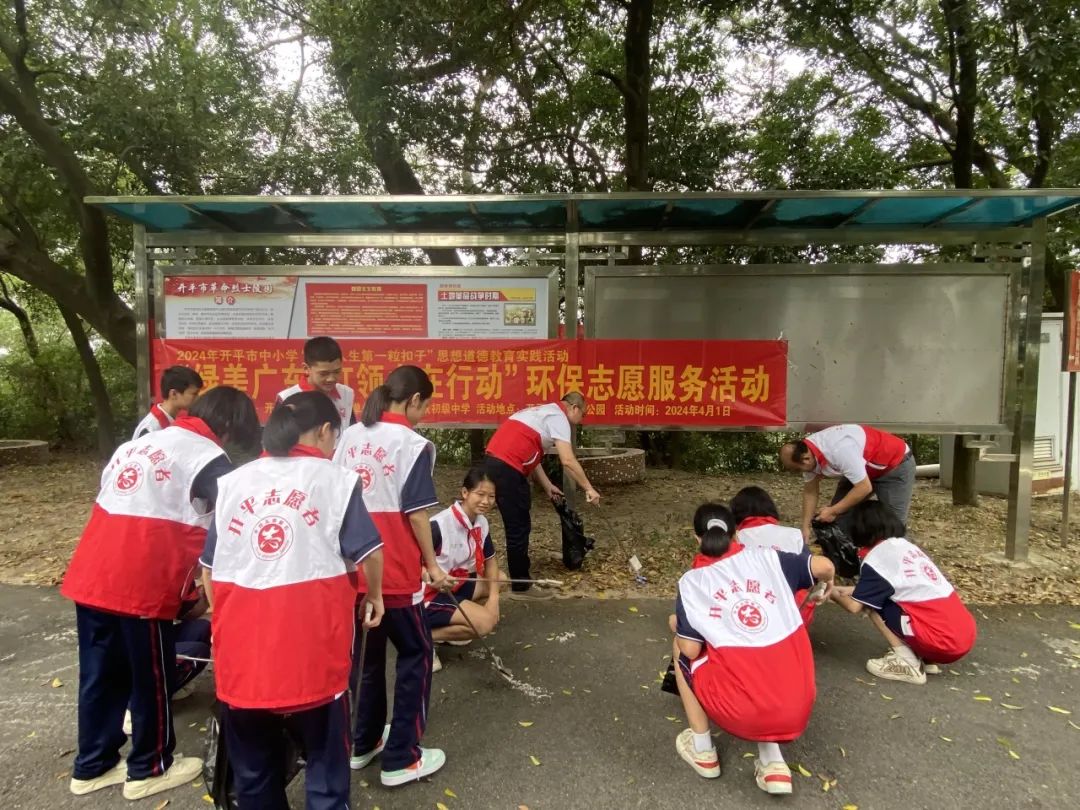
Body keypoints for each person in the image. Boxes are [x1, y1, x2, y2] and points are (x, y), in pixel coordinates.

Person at [61, 387, 259, 800]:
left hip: (93, 573)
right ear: (227, 425)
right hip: (140, 583)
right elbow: (233, 523)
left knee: (100, 674)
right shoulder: (207, 457)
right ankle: (148, 768)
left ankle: (93, 765)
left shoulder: (137, 444)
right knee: (151, 676)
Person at [200, 390, 385, 809]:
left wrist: (222, 620)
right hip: (311, 649)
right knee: (325, 757)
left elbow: (208, 569)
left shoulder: (233, 482)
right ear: (324, 431)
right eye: (335, 437)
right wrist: (373, 595)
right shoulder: (334, 480)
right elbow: (370, 553)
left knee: (253, 768)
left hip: (242, 651)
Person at [333, 365, 453, 787]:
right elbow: (417, 514)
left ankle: (362, 742)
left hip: (353, 569)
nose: (423, 414)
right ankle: (402, 756)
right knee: (416, 654)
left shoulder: (349, 436)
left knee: (367, 659)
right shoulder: (412, 444)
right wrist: (432, 566)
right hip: (395, 572)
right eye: (425, 405)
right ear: (414, 399)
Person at [670, 503, 834, 796]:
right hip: (798, 706)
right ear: (736, 534)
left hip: (743, 714)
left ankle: (702, 750)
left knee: (681, 646)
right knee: (760, 652)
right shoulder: (768, 558)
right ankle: (773, 763)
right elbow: (824, 566)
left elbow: (691, 650)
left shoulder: (692, 582)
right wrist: (829, 582)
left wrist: (677, 624)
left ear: (697, 538)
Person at [829, 501, 977, 685]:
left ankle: (907, 662)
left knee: (874, 605)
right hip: (963, 635)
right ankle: (926, 659)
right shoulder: (906, 547)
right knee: (883, 600)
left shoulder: (877, 558)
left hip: (940, 641)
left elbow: (854, 606)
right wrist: (850, 590)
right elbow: (902, 588)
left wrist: (829, 590)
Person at [484, 392, 600, 599]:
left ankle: (516, 577)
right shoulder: (559, 417)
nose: (582, 419)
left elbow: (531, 455)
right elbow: (568, 460)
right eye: (583, 414)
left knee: (516, 524)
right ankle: (521, 586)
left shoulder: (540, 412)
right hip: (509, 468)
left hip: (496, 463)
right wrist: (589, 489)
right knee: (518, 527)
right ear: (574, 407)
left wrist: (547, 485)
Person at [424, 467, 506, 672]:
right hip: (429, 593)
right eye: (480, 494)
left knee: (500, 579)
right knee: (485, 623)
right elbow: (410, 563)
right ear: (465, 493)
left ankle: (453, 627)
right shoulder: (439, 525)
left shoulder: (481, 522)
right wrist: (431, 576)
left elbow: (491, 561)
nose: (486, 501)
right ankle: (423, 638)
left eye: (491, 496)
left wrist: (494, 600)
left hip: (456, 584)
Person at [779, 424, 915, 542]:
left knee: (893, 525)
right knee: (839, 518)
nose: (799, 472)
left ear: (806, 459)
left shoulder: (838, 450)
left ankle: (899, 560)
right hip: (861, 469)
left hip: (894, 465)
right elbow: (810, 491)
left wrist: (833, 510)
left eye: (797, 469)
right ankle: (844, 555)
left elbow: (864, 487)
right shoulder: (807, 453)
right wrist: (805, 526)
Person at [730, 486, 816, 625]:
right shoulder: (794, 535)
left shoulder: (736, 538)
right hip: (794, 615)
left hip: (749, 611)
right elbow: (812, 575)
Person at [277, 336, 356, 434]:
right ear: (306, 368)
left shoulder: (346, 394)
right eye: (323, 374)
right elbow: (277, 440)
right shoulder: (287, 398)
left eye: (337, 372)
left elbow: (352, 434)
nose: (331, 378)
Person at [132, 365, 203, 439]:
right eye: (194, 394)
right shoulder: (151, 428)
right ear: (173, 394)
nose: (198, 398)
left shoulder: (170, 421)